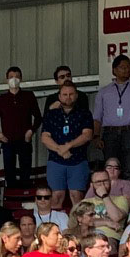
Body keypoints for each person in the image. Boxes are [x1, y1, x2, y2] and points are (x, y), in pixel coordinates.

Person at [40, 78, 96, 209]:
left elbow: (87, 135)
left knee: (77, 196)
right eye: (65, 94)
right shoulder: (51, 114)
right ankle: (54, 228)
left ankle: (78, 227)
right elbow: (44, 137)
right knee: (56, 196)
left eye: (71, 94)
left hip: (78, 160)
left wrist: (68, 146)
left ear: (76, 95)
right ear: (59, 96)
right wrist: (60, 149)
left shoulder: (84, 113)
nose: (68, 97)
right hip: (55, 160)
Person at [0, 66, 42, 188]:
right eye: (11, 77)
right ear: (6, 80)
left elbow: (38, 118)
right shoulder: (2, 99)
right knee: (9, 174)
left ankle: (25, 197)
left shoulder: (29, 96)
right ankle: (11, 198)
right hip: (8, 142)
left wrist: (31, 131)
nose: (14, 79)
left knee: (26, 173)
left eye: (17, 77)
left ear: (21, 79)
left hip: (24, 140)